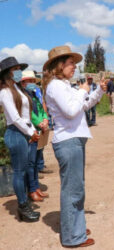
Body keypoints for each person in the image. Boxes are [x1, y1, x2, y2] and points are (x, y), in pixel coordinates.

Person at [42, 45, 108, 247]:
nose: (74, 67)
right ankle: (72, 237)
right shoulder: (55, 86)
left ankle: (74, 227)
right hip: (68, 142)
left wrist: (97, 92)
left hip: (74, 140)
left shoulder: (64, 85)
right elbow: (71, 111)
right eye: (71, 63)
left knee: (75, 187)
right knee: (73, 190)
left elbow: (83, 106)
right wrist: (82, 91)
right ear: (59, 65)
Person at [0, 57, 40, 222]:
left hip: (23, 132)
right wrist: (31, 132)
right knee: (19, 172)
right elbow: (15, 118)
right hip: (16, 133)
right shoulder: (5, 91)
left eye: (19, 68)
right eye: (15, 69)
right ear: (7, 73)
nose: (18, 72)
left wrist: (31, 130)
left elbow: (25, 116)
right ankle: (23, 206)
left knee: (23, 170)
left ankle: (24, 204)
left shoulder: (18, 89)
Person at [21, 70, 49, 202]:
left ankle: (36, 187)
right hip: (31, 132)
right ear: (23, 82)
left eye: (33, 81)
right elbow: (29, 114)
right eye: (29, 81)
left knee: (37, 161)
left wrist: (45, 120)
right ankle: (31, 190)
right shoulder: (22, 97)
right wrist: (39, 123)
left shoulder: (35, 94)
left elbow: (42, 109)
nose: (32, 83)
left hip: (40, 129)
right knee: (31, 162)